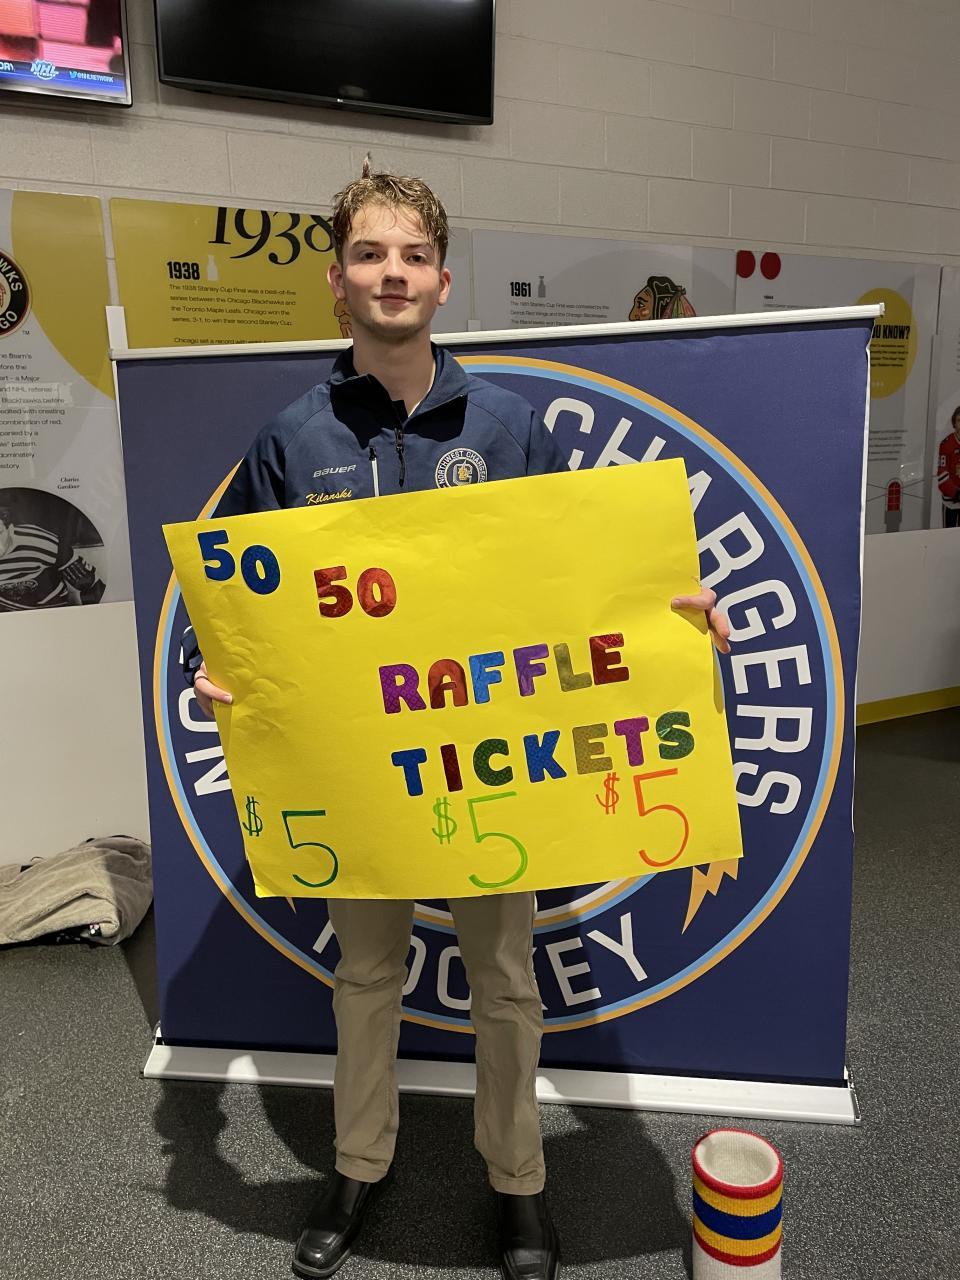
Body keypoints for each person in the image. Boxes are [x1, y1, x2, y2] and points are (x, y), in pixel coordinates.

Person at [186, 162, 731, 1280]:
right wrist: (213, 667)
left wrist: (672, 619)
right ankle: (358, 1163)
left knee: (506, 983)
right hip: (358, 771)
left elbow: (585, 580)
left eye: (415, 255)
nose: (392, 272)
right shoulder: (292, 438)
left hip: (488, 766)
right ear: (338, 280)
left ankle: (518, 1181)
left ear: (442, 281)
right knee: (366, 977)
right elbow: (229, 598)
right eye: (370, 254)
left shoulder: (510, 425)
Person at [0, 504, 104, 611]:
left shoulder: (39, 542)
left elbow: (90, 584)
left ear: (10, 529)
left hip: (56, 608)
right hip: (13, 614)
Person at [936, 406, 960, 528]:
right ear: (954, 423)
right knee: (948, 534)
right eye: (959, 420)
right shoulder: (946, 444)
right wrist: (956, 493)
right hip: (951, 502)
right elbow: (942, 474)